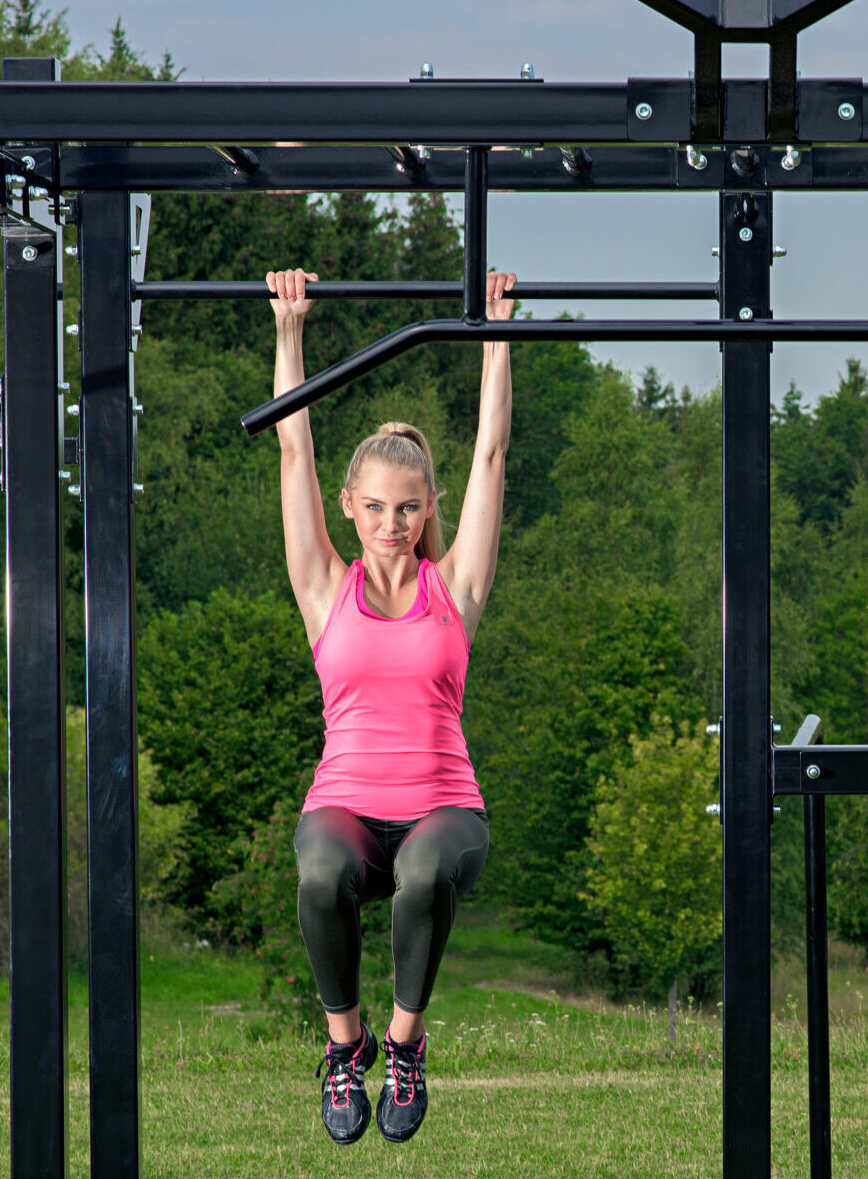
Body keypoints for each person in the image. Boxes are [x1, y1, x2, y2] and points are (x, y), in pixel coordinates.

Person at [266, 265, 518, 1146]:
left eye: (408, 507)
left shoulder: (457, 589)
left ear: (427, 507)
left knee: (424, 871)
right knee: (317, 870)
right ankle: (348, 1045)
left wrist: (495, 335)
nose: (391, 522)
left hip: (443, 811)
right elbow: (293, 449)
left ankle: (405, 1045)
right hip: (346, 806)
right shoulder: (322, 588)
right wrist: (289, 329)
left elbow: (491, 456)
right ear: (349, 506)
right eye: (374, 506)